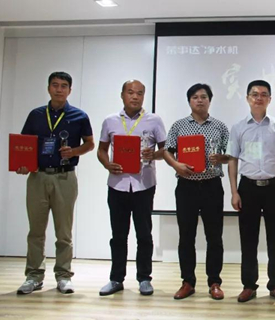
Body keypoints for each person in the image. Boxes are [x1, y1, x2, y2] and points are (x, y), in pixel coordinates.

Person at [16, 71, 95, 295]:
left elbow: (89, 144)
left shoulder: (79, 116)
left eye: (63, 86)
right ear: (48, 88)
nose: (59, 89)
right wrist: (23, 164)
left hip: (65, 177)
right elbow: (24, 144)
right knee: (36, 231)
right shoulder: (36, 115)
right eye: (55, 85)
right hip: (38, 177)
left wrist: (74, 151)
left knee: (64, 232)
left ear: (70, 90)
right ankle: (34, 276)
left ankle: (63, 276)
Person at [97, 80, 166, 296]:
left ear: (144, 96)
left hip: (143, 185)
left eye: (140, 93)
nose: (135, 97)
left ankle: (144, 278)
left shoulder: (154, 120)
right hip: (117, 185)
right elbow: (101, 150)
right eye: (130, 92)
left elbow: (166, 151)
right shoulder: (110, 121)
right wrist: (107, 164)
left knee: (144, 234)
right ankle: (116, 279)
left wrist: (153, 154)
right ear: (122, 95)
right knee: (118, 235)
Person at [227, 80, 275, 303]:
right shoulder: (238, 128)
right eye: (254, 94)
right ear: (247, 98)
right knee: (248, 240)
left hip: (274, 187)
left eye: (264, 94)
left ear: (269, 99)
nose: (259, 98)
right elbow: (232, 160)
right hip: (248, 188)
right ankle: (248, 285)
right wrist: (234, 192)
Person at [164, 83, 230, 300]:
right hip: (187, 187)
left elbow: (230, 155)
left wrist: (221, 158)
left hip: (212, 185)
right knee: (186, 236)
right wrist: (176, 165)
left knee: (215, 237)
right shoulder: (179, 126)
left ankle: (214, 282)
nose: (199, 100)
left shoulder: (220, 126)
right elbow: (167, 152)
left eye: (203, 97)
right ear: (189, 101)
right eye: (195, 97)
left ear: (210, 100)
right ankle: (187, 282)